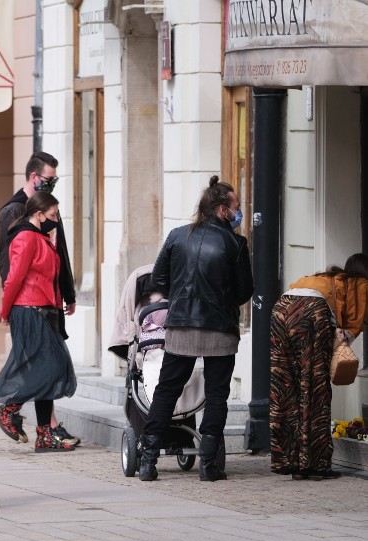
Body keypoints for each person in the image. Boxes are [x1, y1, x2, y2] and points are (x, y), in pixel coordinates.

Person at [138, 176, 253, 482]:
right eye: (236, 207)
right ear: (222, 209)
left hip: (181, 326)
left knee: (166, 390)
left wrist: (181, 297)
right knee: (217, 396)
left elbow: (158, 280)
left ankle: (148, 460)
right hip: (220, 329)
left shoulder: (177, 236)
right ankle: (208, 464)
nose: (239, 212)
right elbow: (244, 291)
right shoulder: (236, 243)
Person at [0, 151, 79, 447]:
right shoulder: (22, 228)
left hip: (47, 307)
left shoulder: (44, 230)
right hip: (28, 310)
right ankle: (9, 408)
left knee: (50, 369)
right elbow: (12, 273)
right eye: (49, 179)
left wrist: (67, 294)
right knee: (44, 368)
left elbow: (60, 260)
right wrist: (7, 310)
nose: (56, 220)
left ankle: (45, 433)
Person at [270, 254, 368, 480]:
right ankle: (315, 465)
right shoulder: (360, 283)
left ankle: (288, 461)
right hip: (312, 312)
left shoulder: (327, 278)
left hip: (281, 308)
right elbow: (352, 327)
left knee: (285, 386)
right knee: (315, 387)